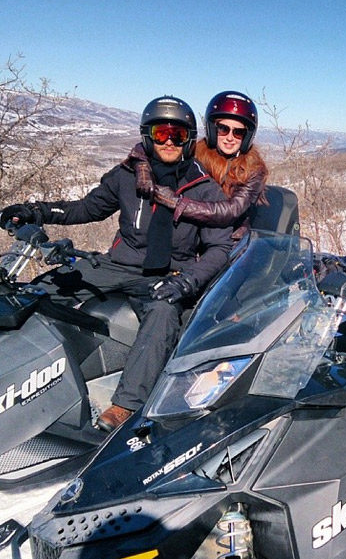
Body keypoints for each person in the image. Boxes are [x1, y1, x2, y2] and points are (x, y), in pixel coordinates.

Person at [0, 95, 234, 432]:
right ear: (147, 135)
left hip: (167, 273)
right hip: (116, 265)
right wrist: (36, 211)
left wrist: (186, 281)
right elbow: (87, 208)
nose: (168, 141)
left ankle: (125, 405)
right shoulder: (127, 176)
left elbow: (218, 250)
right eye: (160, 132)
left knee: (164, 312)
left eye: (178, 135)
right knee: (42, 289)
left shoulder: (204, 189)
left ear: (189, 139)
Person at [148, 90, 268, 239]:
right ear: (212, 129)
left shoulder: (253, 169)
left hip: (231, 238)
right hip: (190, 234)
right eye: (223, 129)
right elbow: (150, 150)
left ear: (247, 136)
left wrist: (177, 203)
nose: (230, 138)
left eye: (238, 132)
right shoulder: (196, 152)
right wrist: (142, 169)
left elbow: (232, 210)